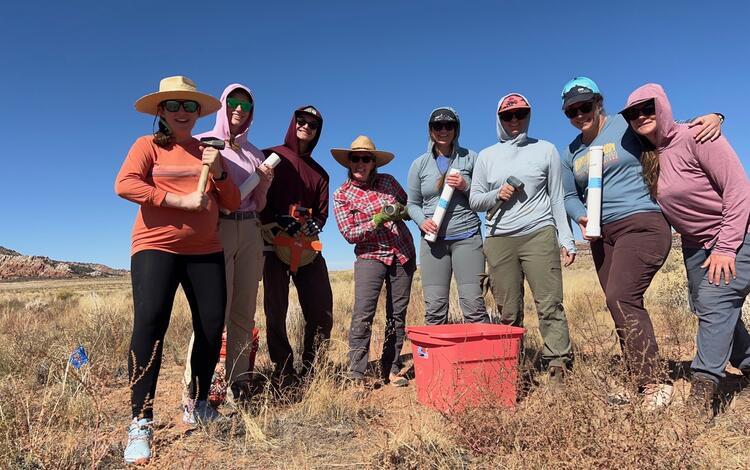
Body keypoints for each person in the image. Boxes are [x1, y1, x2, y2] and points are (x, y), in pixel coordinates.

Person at [559, 76, 723, 409]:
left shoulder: (624, 125)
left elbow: (667, 127)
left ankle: (654, 383)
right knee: (617, 302)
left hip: (643, 223)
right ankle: (640, 376)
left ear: (599, 103)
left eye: (585, 106)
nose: (579, 114)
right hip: (600, 235)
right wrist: (580, 216)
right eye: (571, 110)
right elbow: (567, 195)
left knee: (622, 296)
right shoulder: (571, 151)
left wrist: (714, 116)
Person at [115, 76, 240, 464]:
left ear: (198, 112)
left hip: (205, 249)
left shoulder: (209, 151)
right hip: (155, 247)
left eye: (189, 106)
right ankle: (141, 420)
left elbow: (233, 201)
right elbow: (125, 184)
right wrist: (175, 200)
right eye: (173, 105)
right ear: (161, 112)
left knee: (209, 325)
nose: (182, 112)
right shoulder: (147, 146)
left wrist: (218, 172)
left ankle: (198, 403)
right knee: (150, 323)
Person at [622, 83, 750, 420]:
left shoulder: (697, 135)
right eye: (633, 113)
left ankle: (703, 391)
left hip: (734, 235)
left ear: (662, 107)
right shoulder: (648, 154)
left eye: (648, 108)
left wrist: (726, 246)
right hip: (695, 245)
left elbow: (737, 188)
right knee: (706, 305)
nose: (641, 116)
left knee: (715, 303)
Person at [470, 93, 576, 384]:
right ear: (499, 120)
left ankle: (558, 364)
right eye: (508, 116)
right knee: (508, 309)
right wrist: (497, 194)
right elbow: (475, 200)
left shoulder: (546, 150)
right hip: (499, 238)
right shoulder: (487, 156)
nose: (515, 121)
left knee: (549, 303)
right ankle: (511, 365)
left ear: (528, 116)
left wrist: (566, 239)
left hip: (538, 234)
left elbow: (557, 197)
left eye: (521, 114)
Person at [182, 83, 274, 404]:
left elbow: (259, 204)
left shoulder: (256, 154)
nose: (239, 109)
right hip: (217, 229)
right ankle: (195, 387)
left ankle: (238, 382)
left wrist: (262, 183)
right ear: (223, 105)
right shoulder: (203, 142)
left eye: (246, 106)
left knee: (244, 312)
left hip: (250, 230)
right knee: (212, 312)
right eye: (233, 102)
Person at [332, 136, 416, 386]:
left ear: (373, 162)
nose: (360, 163)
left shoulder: (388, 182)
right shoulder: (342, 194)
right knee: (363, 315)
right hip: (370, 256)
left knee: (397, 314)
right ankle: (356, 374)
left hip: (402, 252)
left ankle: (390, 367)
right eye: (355, 158)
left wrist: (402, 212)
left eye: (365, 158)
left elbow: (408, 206)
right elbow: (349, 234)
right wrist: (376, 221)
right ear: (349, 162)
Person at [259, 106, 334, 385]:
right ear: (293, 123)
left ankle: (314, 370)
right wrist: (273, 219)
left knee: (321, 310)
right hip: (272, 243)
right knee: (275, 310)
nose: (306, 126)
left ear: (317, 131)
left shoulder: (320, 174)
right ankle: (284, 370)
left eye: (312, 124)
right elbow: (256, 194)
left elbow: (322, 212)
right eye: (301, 121)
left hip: (306, 247)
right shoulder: (269, 156)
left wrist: (315, 224)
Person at [406, 107, 489, 325]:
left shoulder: (471, 158)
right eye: (437, 126)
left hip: (467, 238)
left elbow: (482, 200)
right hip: (433, 243)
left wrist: (465, 185)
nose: (443, 130)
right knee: (434, 308)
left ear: (456, 128)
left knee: (473, 305)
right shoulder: (419, 165)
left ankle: (483, 357)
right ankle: (436, 359)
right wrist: (422, 221)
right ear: (430, 130)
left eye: (449, 125)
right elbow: (412, 204)